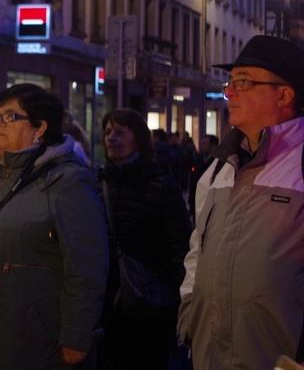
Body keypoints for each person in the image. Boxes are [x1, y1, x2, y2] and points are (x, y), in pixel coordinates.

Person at [0, 83, 109, 369]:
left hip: (25, 342)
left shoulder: (67, 183)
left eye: (10, 117)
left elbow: (87, 267)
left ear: (39, 127)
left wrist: (77, 335)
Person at [178, 35, 304, 369]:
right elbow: (197, 253)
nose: (229, 92)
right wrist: (189, 315)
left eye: (243, 82)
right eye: (230, 82)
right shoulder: (219, 167)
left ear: (284, 94)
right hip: (209, 354)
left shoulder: (300, 166)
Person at [97, 109, 192, 370]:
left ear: (137, 138)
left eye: (119, 132)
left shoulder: (161, 185)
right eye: (107, 133)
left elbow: (181, 249)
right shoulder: (98, 183)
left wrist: (174, 300)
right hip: (107, 304)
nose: (111, 139)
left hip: (149, 305)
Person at [187, 134, 219, 219]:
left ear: (212, 145)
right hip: (197, 199)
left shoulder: (217, 163)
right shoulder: (198, 159)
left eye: (205, 143)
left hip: (209, 201)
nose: (202, 146)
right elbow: (193, 180)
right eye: (202, 143)